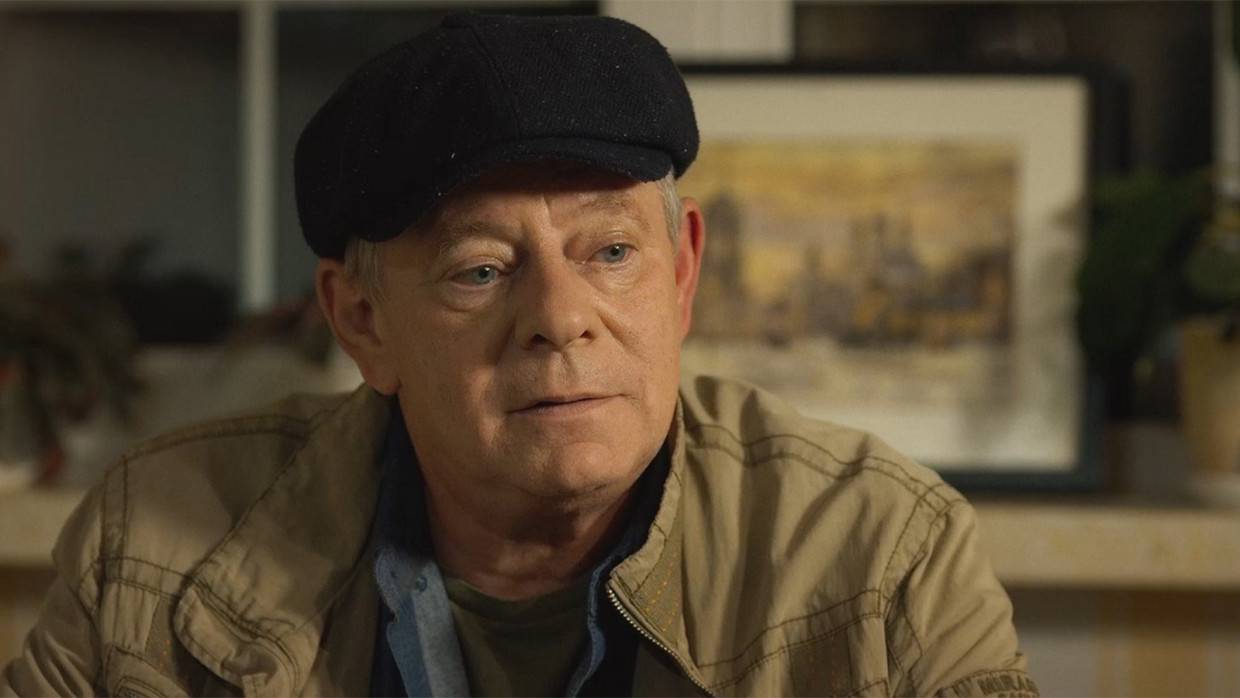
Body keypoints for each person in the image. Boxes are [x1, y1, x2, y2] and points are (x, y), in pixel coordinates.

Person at [1, 12, 1037, 698]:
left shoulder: (881, 554)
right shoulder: (154, 548)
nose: (560, 318)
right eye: (483, 270)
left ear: (682, 271)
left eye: (612, 253)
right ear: (361, 321)